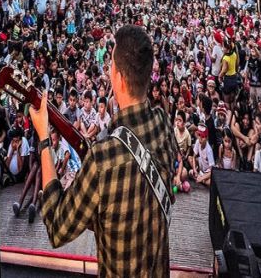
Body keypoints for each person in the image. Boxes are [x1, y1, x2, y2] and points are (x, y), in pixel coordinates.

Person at [30, 24, 178, 277]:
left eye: (110, 65)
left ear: (118, 78)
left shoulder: (104, 158)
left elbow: (57, 228)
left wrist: (44, 138)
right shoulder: (164, 123)